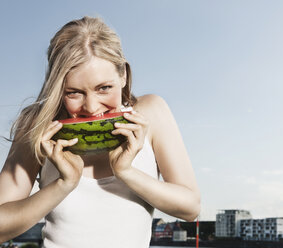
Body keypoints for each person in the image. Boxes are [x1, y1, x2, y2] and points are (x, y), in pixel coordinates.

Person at [0, 16, 200, 247]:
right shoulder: (38, 125)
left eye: (104, 88)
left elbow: (190, 208)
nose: (92, 108)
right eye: (73, 93)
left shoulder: (151, 113)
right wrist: (64, 184)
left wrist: (125, 171)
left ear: (123, 75)